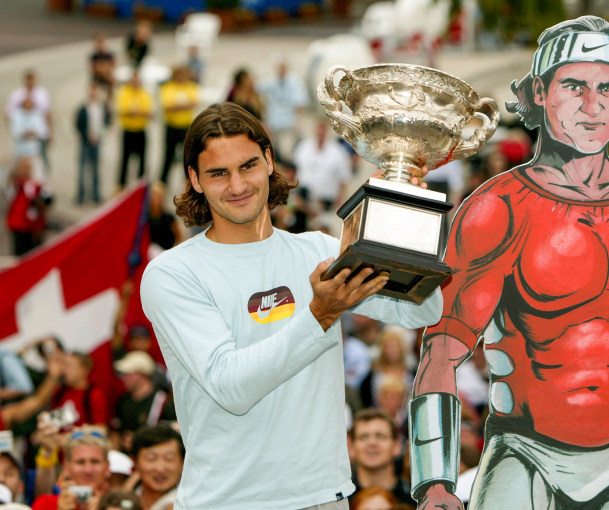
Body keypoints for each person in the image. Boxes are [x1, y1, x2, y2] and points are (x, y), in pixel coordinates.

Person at [408, 15, 609, 510]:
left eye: (608, 86)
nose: (593, 105)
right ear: (540, 92)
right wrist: (434, 482)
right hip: (524, 452)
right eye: (574, 86)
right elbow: (442, 353)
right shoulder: (496, 208)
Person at [139, 102, 442, 509]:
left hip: (324, 496)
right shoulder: (172, 274)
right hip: (228, 500)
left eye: (247, 165)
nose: (237, 185)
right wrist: (320, 314)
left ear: (268, 160)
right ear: (194, 179)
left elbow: (421, 311)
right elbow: (232, 387)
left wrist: (402, 216)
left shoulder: (317, 250)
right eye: (218, 173)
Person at [32, 427, 111, 510]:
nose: (88, 470)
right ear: (66, 467)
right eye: (80, 462)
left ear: (107, 467)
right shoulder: (45, 505)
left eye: (95, 461)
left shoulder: (120, 504)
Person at [348, 409, 415, 506]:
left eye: (380, 436)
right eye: (364, 437)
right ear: (352, 447)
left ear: (396, 445)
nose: (372, 443)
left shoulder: (415, 498)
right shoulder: (341, 499)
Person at [112, 352, 175, 452]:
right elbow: (116, 432)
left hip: (152, 454)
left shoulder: (162, 401)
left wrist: (138, 440)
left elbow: (173, 432)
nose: (123, 378)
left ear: (142, 374)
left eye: (128, 374)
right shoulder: (123, 400)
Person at [293, 120, 352, 212]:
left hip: (326, 202)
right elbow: (294, 169)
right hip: (303, 199)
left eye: (323, 128)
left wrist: (340, 201)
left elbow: (344, 179)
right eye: (319, 128)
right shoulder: (303, 146)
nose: (321, 132)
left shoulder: (339, 152)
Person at [258, 57, 307, 159]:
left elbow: (300, 102)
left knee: (288, 154)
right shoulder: (271, 82)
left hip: (289, 124)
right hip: (274, 124)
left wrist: (298, 120)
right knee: (275, 153)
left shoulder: (294, 82)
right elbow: (257, 90)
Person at [158, 66, 199, 185]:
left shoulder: (191, 87)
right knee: (168, 157)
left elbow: (194, 103)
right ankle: (162, 184)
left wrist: (177, 107)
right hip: (172, 126)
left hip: (186, 127)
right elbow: (167, 106)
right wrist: (183, 106)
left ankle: (187, 183)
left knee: (188, 157)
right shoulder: (168, 88)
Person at [126, 424, 183, 510]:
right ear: (135, 461)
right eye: (151, 459)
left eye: (169, 459)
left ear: (182, 463)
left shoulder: (191, 504)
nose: (160, 469)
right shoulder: (122, 501)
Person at [5, 70, 52, 172]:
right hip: (22, 138)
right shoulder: (17, 94)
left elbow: (47, 114)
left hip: (40, 135)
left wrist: (50, 132)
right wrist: (14, 130)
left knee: (41, 162)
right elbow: (8, 114)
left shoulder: (42, 93)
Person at [5, 157, 51, 256]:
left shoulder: (38, 185)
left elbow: (47, 202)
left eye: (27, 168)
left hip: (34, 227)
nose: (25, 172)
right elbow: (9, 194)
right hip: (19, 226)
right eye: (22, 169)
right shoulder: (16, 184)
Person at [115, 71, 152, 189]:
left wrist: (134, 112)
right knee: (125, 160)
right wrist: (139, 112)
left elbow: (148, 112)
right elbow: (123, 110)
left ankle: (140, 186)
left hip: (141, 130)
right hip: (128, 130)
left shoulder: (144, 93)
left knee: (142, 160)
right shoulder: (124, 93)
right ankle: (121, 186)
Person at [74, 82, 111, 204]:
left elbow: (106, 122)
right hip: (86, 142)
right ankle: (81, 194)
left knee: (96, 169)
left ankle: (96, 194)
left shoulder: (101, 107)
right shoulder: (84, 108)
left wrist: (100, 135)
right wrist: (86, 135)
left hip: (97, 141)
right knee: (83, 169)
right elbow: (78, 125)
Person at [89, 33, 115, 99]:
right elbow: (94, 69)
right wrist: (104, 69)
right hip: (97, 79)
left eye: (102, 42)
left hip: (107, 78)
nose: (101, 45)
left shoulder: (109, 56)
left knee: (112, 81)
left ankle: (109, 99)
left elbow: (112, 67)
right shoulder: (94, 57)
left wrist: (102, 68)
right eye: (99, 43)